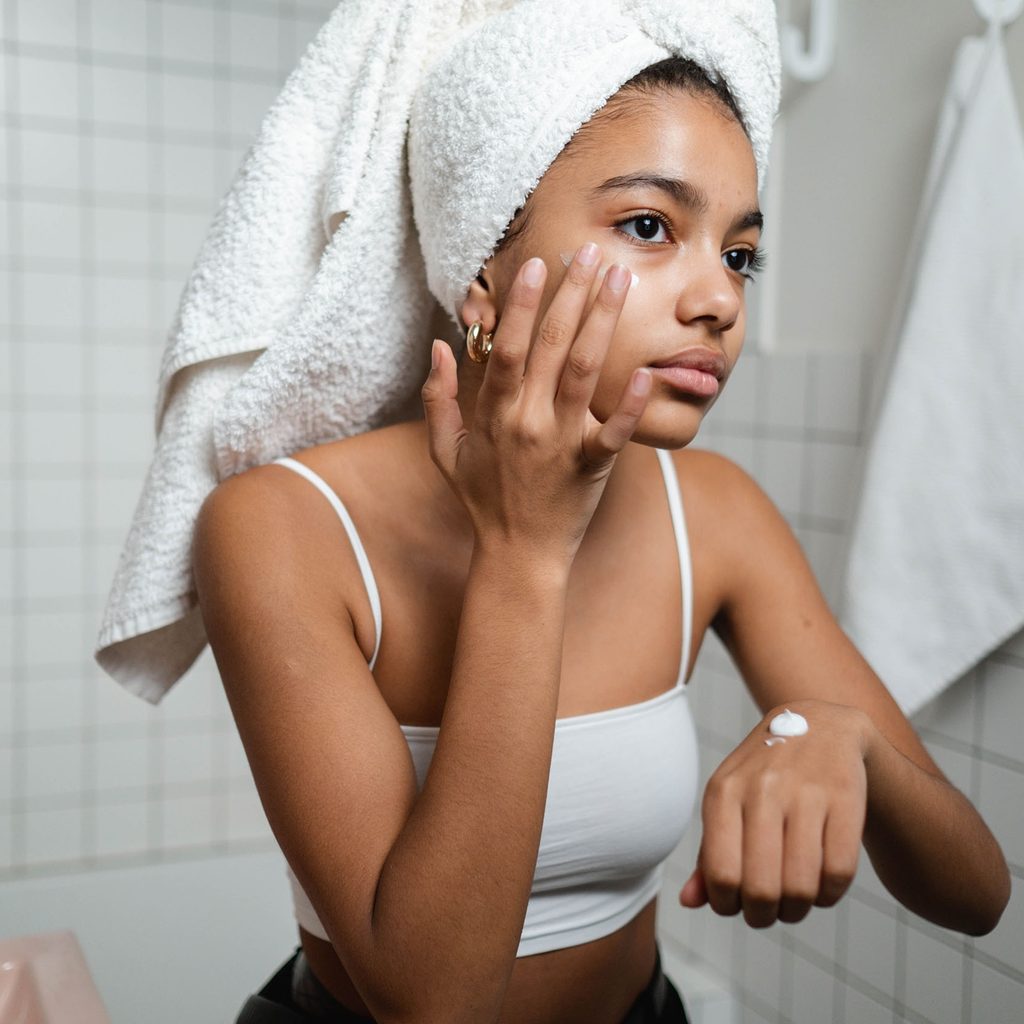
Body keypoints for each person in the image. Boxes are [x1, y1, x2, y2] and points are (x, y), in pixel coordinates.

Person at [191, 46, 1010, 1024]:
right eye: (649, 225)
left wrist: (847, 737)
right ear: (485, 282)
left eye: (738, 252)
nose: (718, 299)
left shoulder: (712, 510)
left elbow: (977, 892)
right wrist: (525, 554)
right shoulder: (278, 528)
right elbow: (429, 1006)